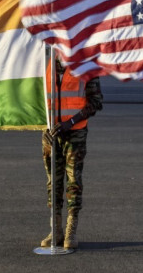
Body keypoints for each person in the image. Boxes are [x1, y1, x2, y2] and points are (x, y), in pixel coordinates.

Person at [40, 58, 103, 249]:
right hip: (51, 133)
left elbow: (96, 102)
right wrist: (44, 128)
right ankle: (55, 229)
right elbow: (37, 100)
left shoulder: (86, 65)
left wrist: (71, 121)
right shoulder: (44, 64)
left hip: (74, 133)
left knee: (73, 179)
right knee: (53, 181)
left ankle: (70, 230)